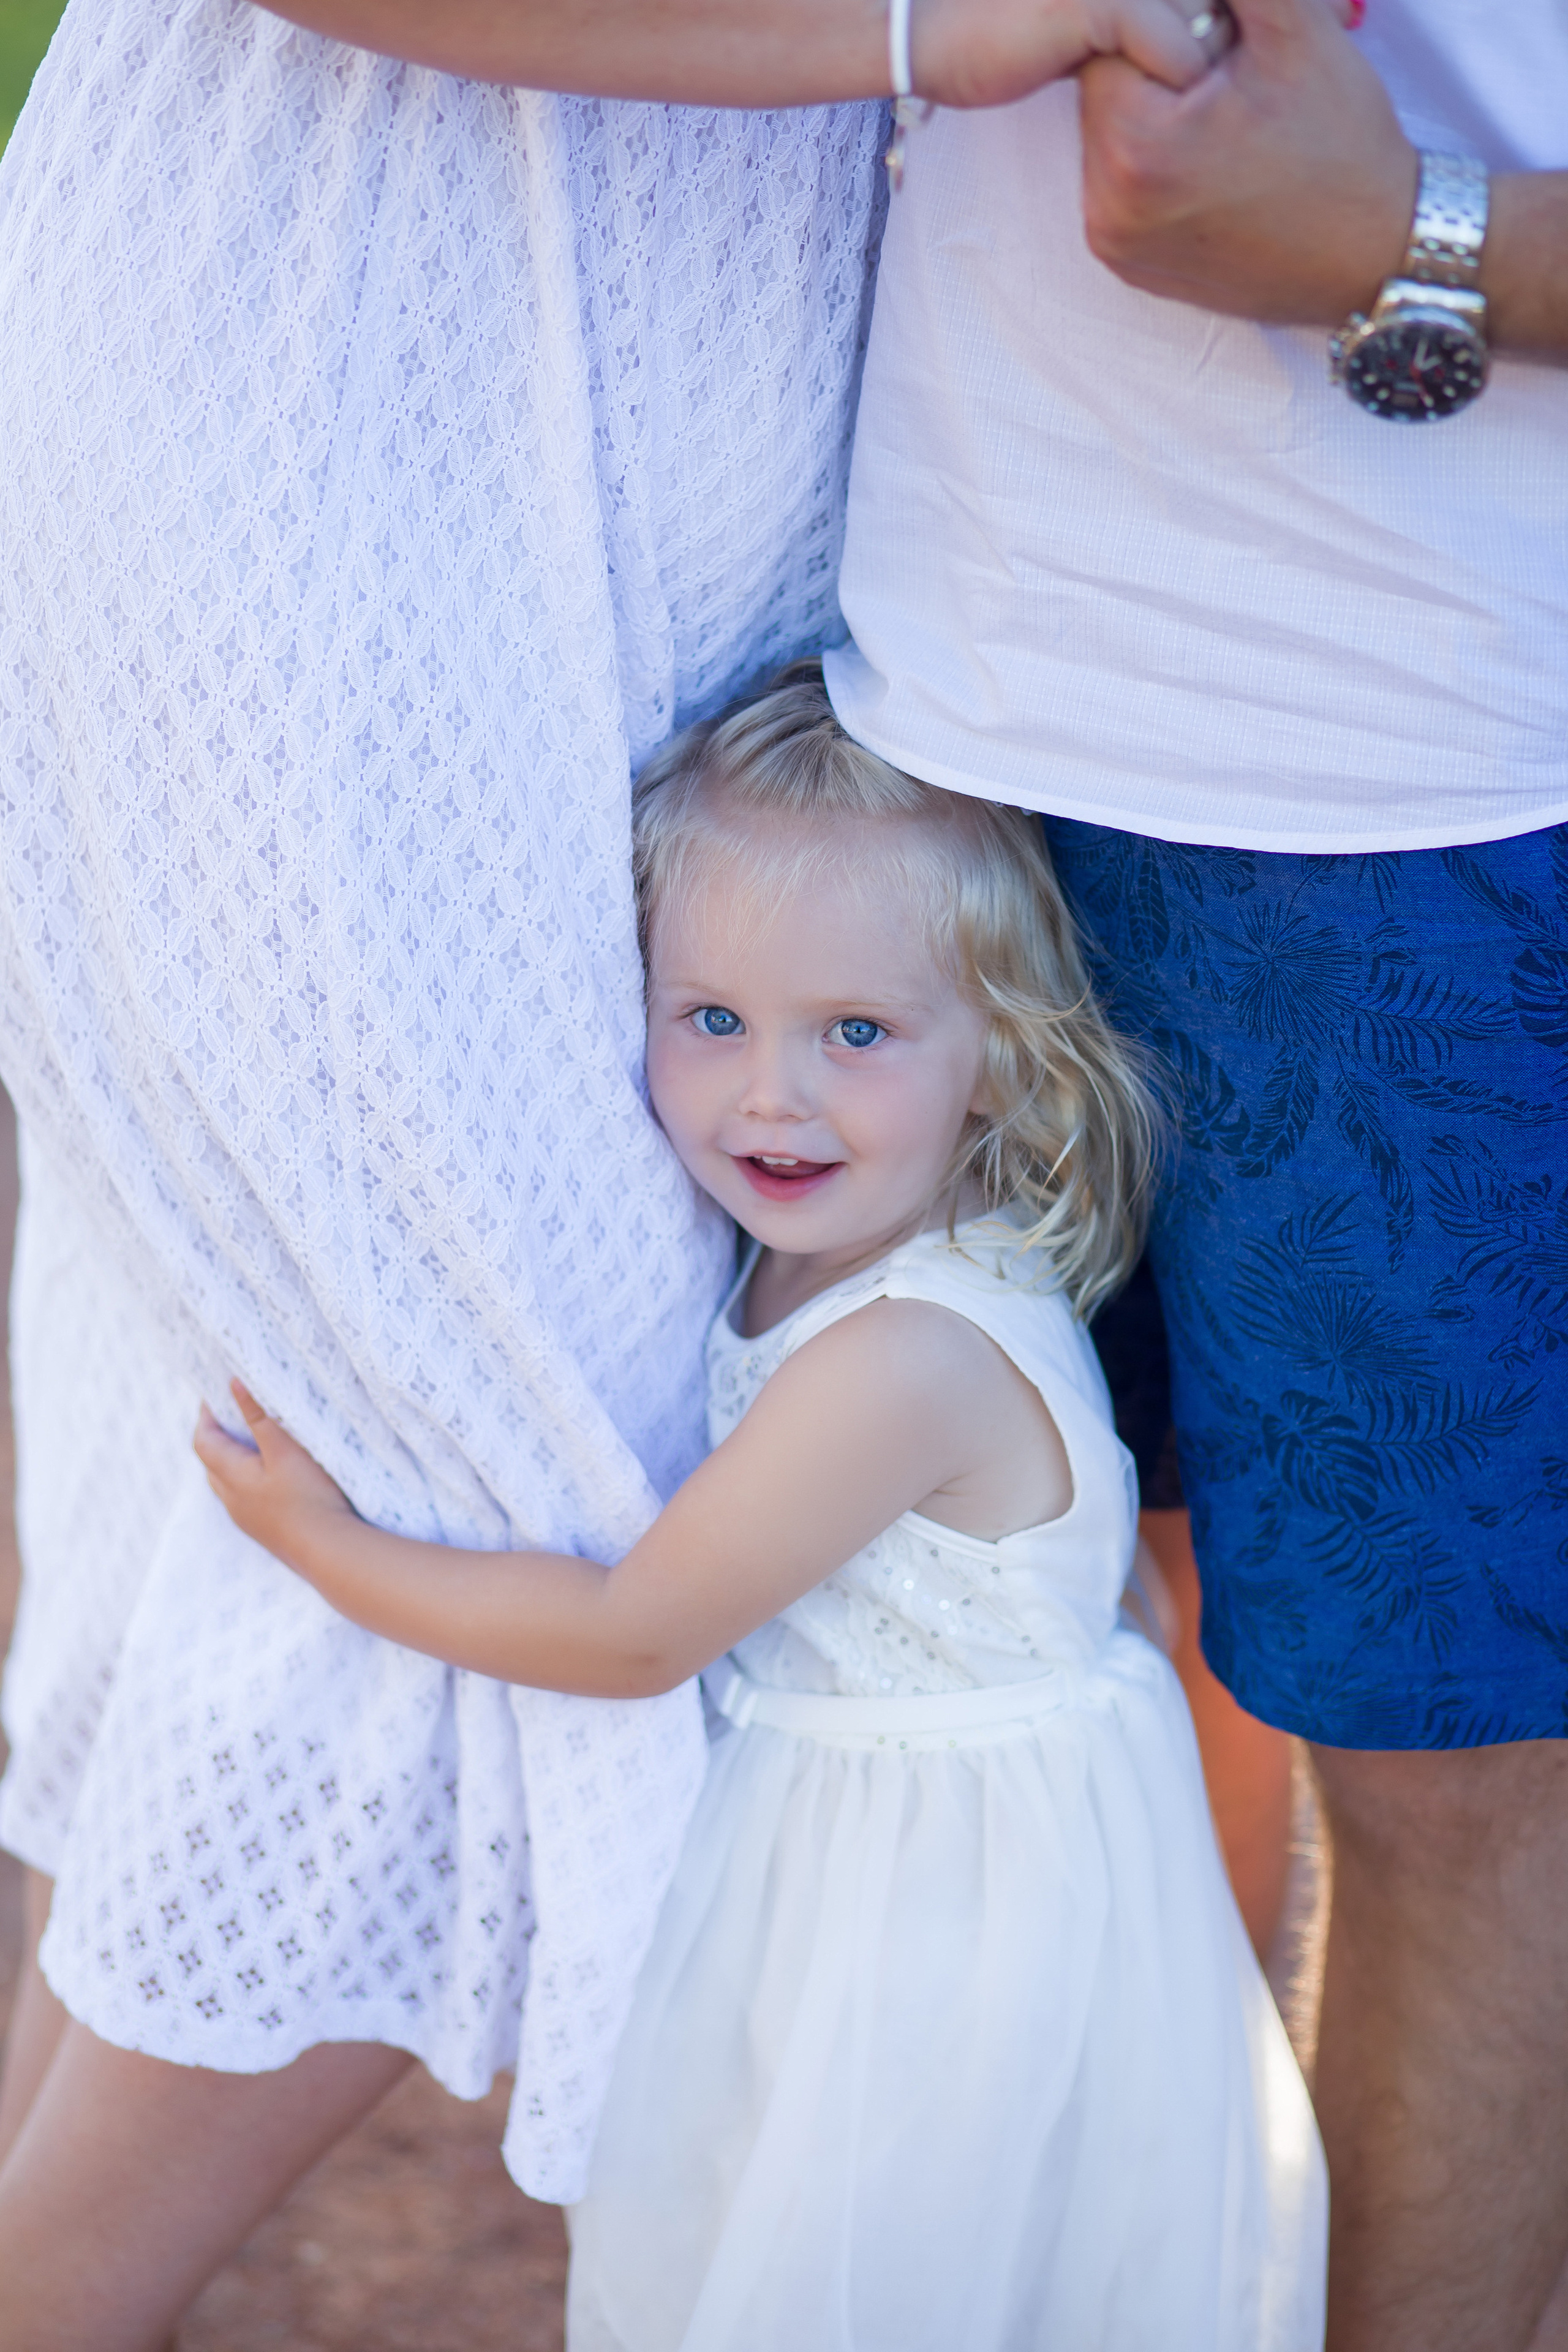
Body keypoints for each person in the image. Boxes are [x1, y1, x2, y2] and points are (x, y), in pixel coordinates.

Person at [0, 1, 1232, 2343]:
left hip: (715, 369)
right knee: (463, 1423)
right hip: (342, 335)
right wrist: (923, 26)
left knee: (398, 1411)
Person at [194, 668, 1328, 2351]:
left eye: (854, 1033)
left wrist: (320, 1544)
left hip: (929, 1914)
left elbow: (635, 1633)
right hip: (926, 1846)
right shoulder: (850, 1247)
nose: (769, 1097)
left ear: (1003, 1066)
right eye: (710, 1017)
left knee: (854, 2280)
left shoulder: (906, 1357)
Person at [820, 1, 1568, 2344]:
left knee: (1461, 1798)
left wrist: (1421, 237)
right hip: (922, 690)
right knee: (1019, 1635)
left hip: (1436, 788)